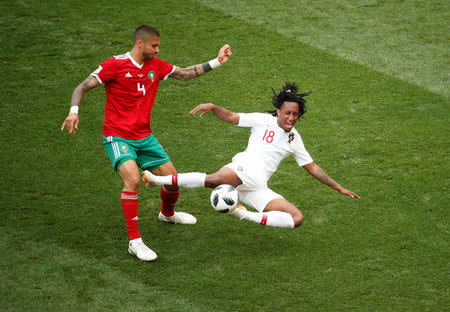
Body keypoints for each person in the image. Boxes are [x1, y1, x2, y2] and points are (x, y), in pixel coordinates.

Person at [61, 25, 232, 261]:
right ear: (140, 44)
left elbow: (183, 74)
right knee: (132, 179)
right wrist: (73, 111)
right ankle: (135, 242)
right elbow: (82, 86)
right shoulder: (115, 64)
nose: (158, 50)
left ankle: (167, 214)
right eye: (154, 46)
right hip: (117, 136)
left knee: (173, 181)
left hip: (144, 137)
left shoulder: (156, 66)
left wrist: (217, 61)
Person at [143, 82, 359, 229]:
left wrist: (339, 187)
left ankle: (243, 214)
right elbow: (232, 117)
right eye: (288, 113)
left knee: (296, 218)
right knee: (215, 180)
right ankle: (156, 180)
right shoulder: (262, 120)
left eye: (295, 114)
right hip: (243, 169)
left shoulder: (295, 139)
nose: (291, 118)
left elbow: (313, 167)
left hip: (256, 185)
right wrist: (214, 107)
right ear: (278, 111)